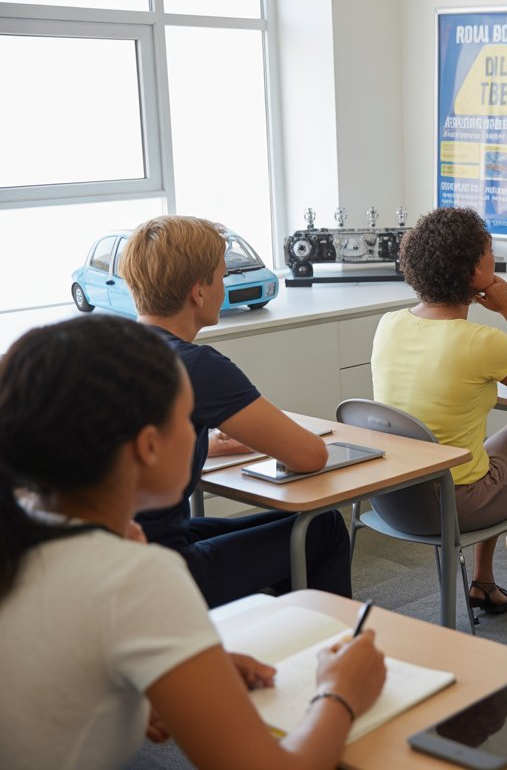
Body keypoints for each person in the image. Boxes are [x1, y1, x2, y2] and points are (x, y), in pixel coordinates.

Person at [0, 315, 386, 769]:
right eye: (191, 421)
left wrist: (173, 672)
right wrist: (340, 691)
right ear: (148, 446)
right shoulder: (137, 576)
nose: (202, 434)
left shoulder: (24, 532)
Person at [121, 215, 351, 607]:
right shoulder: (195, 366)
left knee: (293, 527)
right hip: (160, 571)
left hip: (114, 558)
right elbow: (310, 456)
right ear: (198, 292)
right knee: (322, 528)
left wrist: (210, 446)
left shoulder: (111, 347)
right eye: (221, 277)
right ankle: (326, 652)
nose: (224, 287)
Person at [371, 207, 507, 615]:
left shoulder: (389, 323)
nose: (493, 257)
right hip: (451, 501)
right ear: (471, 272)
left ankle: (484, 582)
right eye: (488, 252)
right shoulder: (481, 341)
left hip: (390, 496)